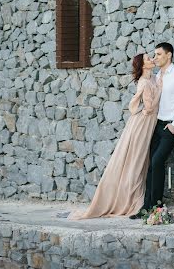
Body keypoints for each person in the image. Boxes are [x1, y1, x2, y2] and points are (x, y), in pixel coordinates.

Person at [69, 53, 162, 220]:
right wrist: (160, 91)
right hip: (143, 123)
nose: (152, 59)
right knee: (136, 160)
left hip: (147, 122)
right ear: (143, 66)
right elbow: (148, 108)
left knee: (140, 159)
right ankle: (129, 199)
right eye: (148, 59)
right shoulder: (145, 82)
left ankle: (136, 196)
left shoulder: (154, 78)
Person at [130, 42, 174, 219]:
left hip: (171, 126)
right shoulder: (157, 76)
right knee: (150, 164)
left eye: (158, 54)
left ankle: (156, 206)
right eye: (154, 55)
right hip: (156, 125)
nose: (155, 57)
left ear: (169, 55)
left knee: (157, 162)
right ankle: (146, 207)